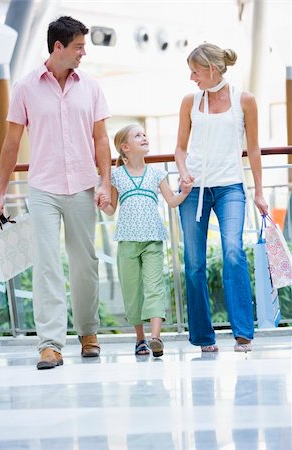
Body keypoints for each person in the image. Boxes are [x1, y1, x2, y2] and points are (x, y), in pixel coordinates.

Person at [0, 16, 112, 369]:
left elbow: (102, 138)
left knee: (85, 264)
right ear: (58, 47)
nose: (83, 53)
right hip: (43, 188)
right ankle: (49, 345)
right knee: (47, 266)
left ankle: (88, 333)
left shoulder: (90, 87)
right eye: (78, 46)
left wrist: (104, 182)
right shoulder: (25, 87)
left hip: (82, 185)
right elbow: (11, 143)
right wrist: (0, 192)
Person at [175, 43, 268, 353]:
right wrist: (182, 171)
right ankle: (203, 337)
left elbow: (253, 148)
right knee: (194, 264)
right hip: (193, 191)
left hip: (230, 187)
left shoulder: (245, 99)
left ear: (211, 69)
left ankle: (243, 333)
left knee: (232, 251)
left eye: (195, 71)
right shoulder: (190, 101)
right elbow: (180, 149)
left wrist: (260, 191)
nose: (191, 77)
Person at [99, 124, 193, 357]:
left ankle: (155, 338)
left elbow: (172, 201)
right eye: (137, 135)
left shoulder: (156, 174)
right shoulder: (117, 176)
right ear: (125, 147)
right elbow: (111, 209)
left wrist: (185, 191)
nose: (144, 137)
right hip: (127, 241)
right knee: (133, 290)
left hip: (153, 240)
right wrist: (101, 202)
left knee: (154, 288)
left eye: (144, 134)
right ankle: (140, 339)